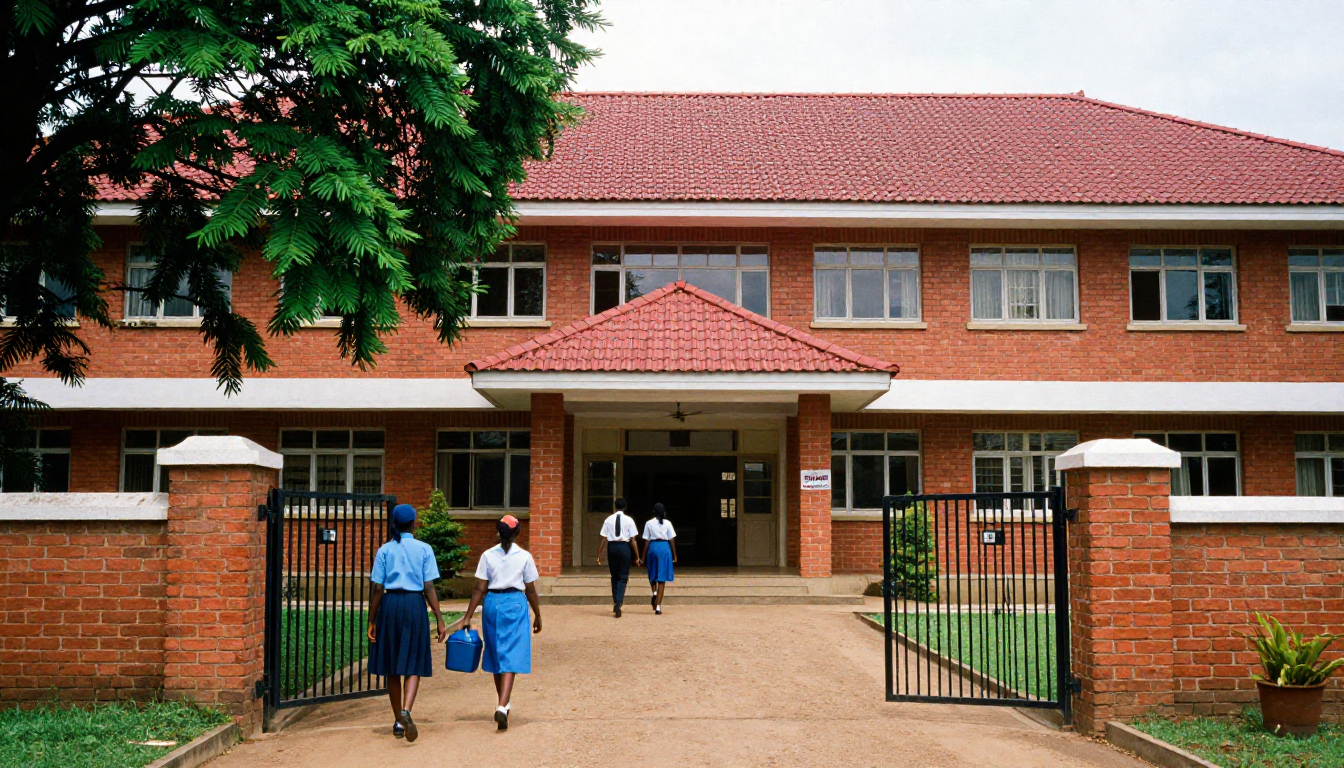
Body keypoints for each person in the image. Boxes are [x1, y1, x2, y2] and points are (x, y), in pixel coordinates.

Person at [367, 504, 448, 743]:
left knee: (392, 664)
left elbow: (377, 588)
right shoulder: (424, 549)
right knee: (413, 661)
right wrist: (439, 617)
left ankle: (397, 721)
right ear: (414, 523)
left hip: (390, 605)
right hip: (415, 605)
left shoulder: (384, 551)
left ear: (394, 524)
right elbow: (430, 586)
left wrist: (372, 620)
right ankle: (406, 711)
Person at [462, 514, 542, 731]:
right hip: (515, 603)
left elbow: (479, 588)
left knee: (497, 653)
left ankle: (503, 704)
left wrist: (468, 616)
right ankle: (501, 705)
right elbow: (531, 589)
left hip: (493, 604)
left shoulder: (487, 555)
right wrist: (538, 614)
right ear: (517, 534)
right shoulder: (524, 556)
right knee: (512, 655)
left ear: (499, 532)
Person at [595, 497, 640, 618]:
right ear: (625, 507)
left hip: (612, 547)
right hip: (624, 546)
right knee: (623, 576)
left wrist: (600, 553)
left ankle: (616, 601)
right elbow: (633, 540)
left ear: (615, 507)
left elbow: (603, 537)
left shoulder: (608, 519)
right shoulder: (629, 520)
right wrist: (637, 556)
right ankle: (619, 601)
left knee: (614, 575)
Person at [641, 503, 677, 615]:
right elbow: (671, 539)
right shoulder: (668, 523)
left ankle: (654, 591)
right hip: (664, 547)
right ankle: (658, 607)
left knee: (652, 573)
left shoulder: (649, 523)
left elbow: (646, 541)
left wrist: (642, 557)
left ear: (653, 512)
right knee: (661, 578)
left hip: (653, 547)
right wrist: (674, 554)